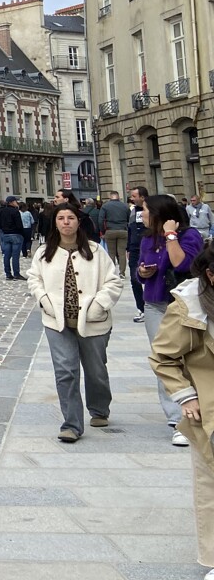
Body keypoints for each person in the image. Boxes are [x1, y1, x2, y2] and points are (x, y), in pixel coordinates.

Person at [26, 203, 123, 442]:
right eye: (61, 218)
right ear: (55, 222)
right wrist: (44, 300)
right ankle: (71, 424)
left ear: (79, 222)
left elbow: (114, 282)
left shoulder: (95, 251)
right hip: (57, 322)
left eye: (71, 218)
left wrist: (98, 305)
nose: (66, 222)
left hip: (93, 322)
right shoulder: (43, 252)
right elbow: (34, 279)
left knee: (95, 370)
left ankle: (99, 408)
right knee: (65, 372)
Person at [148, 244, 214, 580]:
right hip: (210, 408)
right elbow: (163, 356)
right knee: (211, 485)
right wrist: (186, 397)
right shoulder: (190, 307)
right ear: (211, 275)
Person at [137, 193, 204, 445]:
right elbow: (142, 270)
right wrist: (142, 271)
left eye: (144, 210)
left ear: (159, 214)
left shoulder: (190, 236)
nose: (141, 214)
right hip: (155, 304)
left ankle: (197, 410)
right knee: (163, 359)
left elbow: (182, 263)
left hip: (185, 305)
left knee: (190, 358)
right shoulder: (147, 238)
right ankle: (177, 419)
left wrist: (170, 235)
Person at [127, 186, 150, 322]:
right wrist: (128, 248)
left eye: (134, 196)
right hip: (135, 249)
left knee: (149, 277)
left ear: (142, 197)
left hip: (148, 247)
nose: (132, 198)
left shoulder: (151, 210)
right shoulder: (132, 211)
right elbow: (130, 229)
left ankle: (151, 306)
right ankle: (141, 308)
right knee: (134, 279)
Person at [99, 190, 131, 277]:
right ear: (118, 197)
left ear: (110, 197)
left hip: (110, 231)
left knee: (111, 253)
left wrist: (103, 231)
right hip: (123, 230)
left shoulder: (105, 206)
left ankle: (112, 273)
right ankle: (122, 273)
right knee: (122, 253)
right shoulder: (125, 206)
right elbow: (129, 218)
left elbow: (101, 220)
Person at [0, 196, 26, 281]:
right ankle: (16, 273)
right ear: (12, 202)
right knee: (15, 256)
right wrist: (23, 234)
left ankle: (8, 274)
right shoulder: (15, 212)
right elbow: (19, 224)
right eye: (15, 201)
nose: (17, 203)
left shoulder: (1, 211)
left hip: (6, 234)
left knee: (6, 255)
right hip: (15, 234)